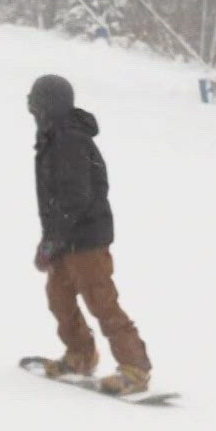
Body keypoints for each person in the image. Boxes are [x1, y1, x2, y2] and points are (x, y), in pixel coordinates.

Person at [27, 73, 151, 395]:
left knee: (101, 302)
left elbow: (76, 198)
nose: (30, 108)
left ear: (48, 105)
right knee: (59, 298)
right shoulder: (53, 138)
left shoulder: (70, 141)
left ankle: (135, 369)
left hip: (86, 240)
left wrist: (53, 239)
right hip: (66, 238)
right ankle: (80, 354)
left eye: (35, 102)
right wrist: (50, 239)